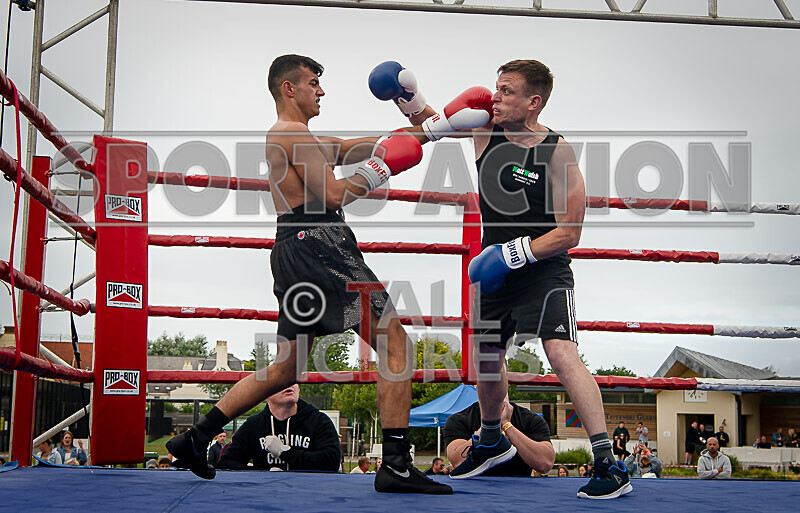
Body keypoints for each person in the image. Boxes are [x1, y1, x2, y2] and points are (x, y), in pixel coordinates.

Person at [166, 54, 496, 495]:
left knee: (287, 367)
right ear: (289, 89)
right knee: (395, 342)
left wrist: (427, 119)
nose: (321, 91)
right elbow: (339, 192)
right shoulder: (292, 135)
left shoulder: (304, 138)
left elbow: (373, 145)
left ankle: (196, 436)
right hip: (320, 243)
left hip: (293, 248)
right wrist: (379, 171)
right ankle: (396, 465)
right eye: (313, 83)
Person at [375, 58, 631, 499]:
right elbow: (433, 127)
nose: (496, 97)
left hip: (541, 269)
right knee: (488, 360)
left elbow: (571, 230)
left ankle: (608, 462)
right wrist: (406, 97)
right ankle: (490, 439)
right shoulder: (483, 130)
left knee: (561, 351)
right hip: (495, 274)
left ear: (533, 101)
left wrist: (515, 254)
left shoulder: (556, 149)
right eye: (496, 88)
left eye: (507, 91)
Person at [217, 385, 340, 472]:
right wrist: (263, 473)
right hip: (267, 499)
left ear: (298, 388)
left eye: (293, 380)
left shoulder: (319, 421)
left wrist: (284, 452)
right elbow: (226, 463)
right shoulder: (253, 425)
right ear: (265, 393)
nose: (288, 384)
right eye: (281, 381)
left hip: (307, 495)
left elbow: (332, 462)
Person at [443, 394, 555, 477]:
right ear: (476, 384)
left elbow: (545, 464)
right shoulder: (459, 420)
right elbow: (457, 461)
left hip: (520, 492)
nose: (493, 383)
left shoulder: (531, 419)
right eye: (487, 377)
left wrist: (507, 425)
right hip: (475, 490)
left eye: (498, 376)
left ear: (507, 380)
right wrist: (490, 422)